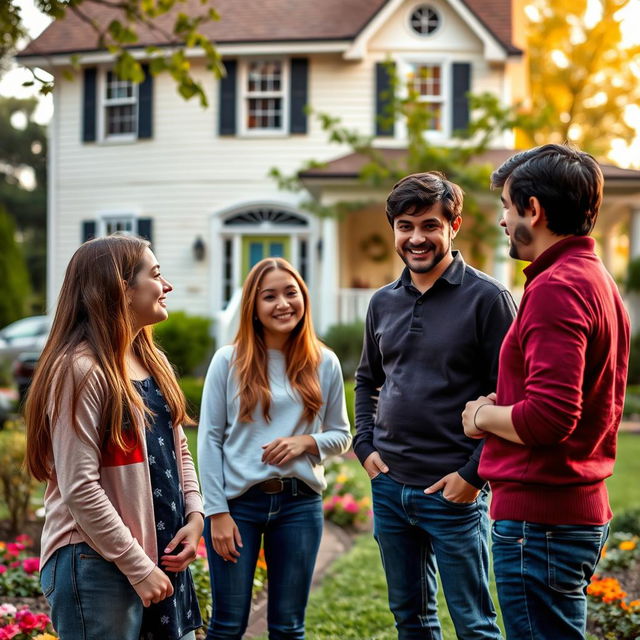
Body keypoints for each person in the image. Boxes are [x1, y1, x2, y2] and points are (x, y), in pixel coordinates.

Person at [462, 144, 630, 640]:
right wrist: (504, 405)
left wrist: (480, 417)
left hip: (542, 523)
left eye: (508, 206)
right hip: (564, 515)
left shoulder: (557, 286)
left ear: (533, 210)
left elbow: (552, 418)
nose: (502, 220)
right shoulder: (594, 278)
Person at [354, 171, 515, 640]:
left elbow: (511, 397)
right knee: (412, 620)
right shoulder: (383, 302)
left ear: (454, 225)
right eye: (406, 226)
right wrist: (365, 445)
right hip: (390, 488)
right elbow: (367, 380)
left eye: (429, 225)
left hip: (453, 493)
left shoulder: (488, 299)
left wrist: (473, 475)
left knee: (475, 625)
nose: (416, 238)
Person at [25, 234, 204, 640]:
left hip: (157, 558)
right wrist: (137, 566)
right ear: (121, 289)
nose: (167, 286)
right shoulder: (80, 369)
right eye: (156, 274)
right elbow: (80, 486)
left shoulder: (152, 361)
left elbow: (179, 454)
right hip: (97, 565)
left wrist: (194, 517)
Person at [198, 257, 352, 640]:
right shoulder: (227, 361)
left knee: (288, 627)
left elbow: (342, 434)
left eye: (291, 292)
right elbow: (209, 439)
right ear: (253, 305)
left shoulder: (324, 362)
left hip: (299, 506)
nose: (283, 303)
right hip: (238, 507)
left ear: (304, 297)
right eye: (269, 296)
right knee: (227, 625)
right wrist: (216, 512)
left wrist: (307, 441)